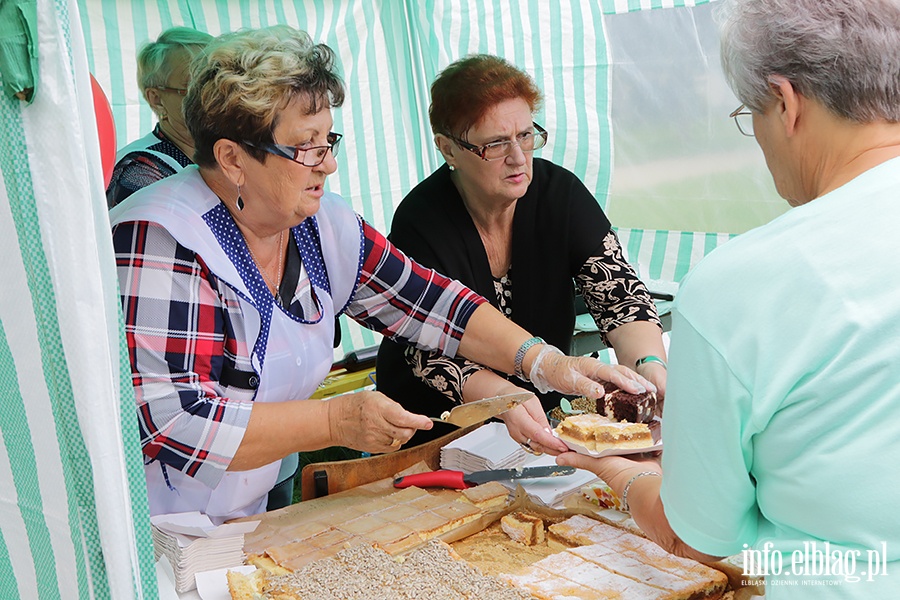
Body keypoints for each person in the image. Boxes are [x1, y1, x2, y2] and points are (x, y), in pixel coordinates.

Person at [109, 25, 654, 524]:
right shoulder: (163, 239)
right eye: (306, 147)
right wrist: (334, 423)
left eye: (330, 141)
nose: (328, 164)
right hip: (156, 522)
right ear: (232, 158)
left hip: (247, 508)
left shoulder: (322, 224)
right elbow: (177, 422)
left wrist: (546, 363)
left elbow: (432, 304)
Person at [557, 0, 900, 597]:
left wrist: (614, 469)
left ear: (786, 102)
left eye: (751, 115)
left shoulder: (740, 285)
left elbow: (700, 538)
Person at [376, 54, 667, 454]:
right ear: (448, 149)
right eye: (495, 144)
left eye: (526, 136)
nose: (517, 157)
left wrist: (649, 367)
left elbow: (619, 296)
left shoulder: (559, 196)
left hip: (542, 420)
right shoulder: (420, 221)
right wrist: (504, 398)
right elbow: (426, 350)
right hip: (435, 430)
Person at [105, 27, 212, 208]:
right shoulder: (138, 173)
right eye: (196, 87)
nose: (215, 96)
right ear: (156, 99)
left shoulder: (224, 152)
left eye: (220, 82)